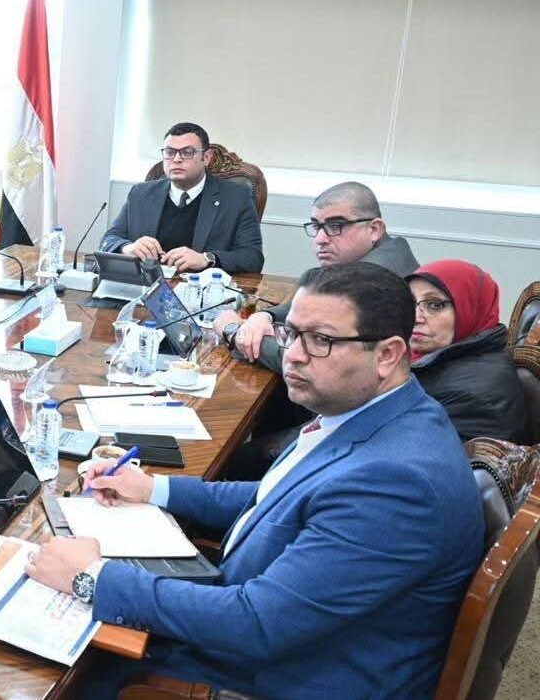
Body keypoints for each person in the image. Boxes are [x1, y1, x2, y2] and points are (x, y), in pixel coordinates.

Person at [26, 262, 483, 698]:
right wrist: (151, 488)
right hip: (276, 624)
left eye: (321, 340)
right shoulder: (382, 416)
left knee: (37, 667)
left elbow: (256, 624)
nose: (294, 355)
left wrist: (92, 578)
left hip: (279, 675)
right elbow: (279, 498)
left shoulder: (396, 483)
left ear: (387, 355)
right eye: (292, 334)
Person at [218, 181, 419, 371]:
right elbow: (310, 307)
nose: (320, 239)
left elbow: (309, 361)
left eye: (335, 226)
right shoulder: (393, 251)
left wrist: (233, 332)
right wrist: (265, 316)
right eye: (317, 226)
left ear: (374, 229)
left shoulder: (371, 279)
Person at [99, 122, 263, 273]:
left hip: (201, 288)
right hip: (147, 285)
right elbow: (109, 240)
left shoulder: (236, 197)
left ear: (206, 158)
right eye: (170, 152)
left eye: (187, 152)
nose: (176, 159)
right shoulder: (141, 193)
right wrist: (128, 248)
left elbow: (252, 257)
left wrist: (206, 258)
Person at [407, 259, 528, 443]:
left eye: (435, 305)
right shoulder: (428, 355)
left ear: (470, 308)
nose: (416, 317)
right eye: (410, 302)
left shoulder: (472, 398)